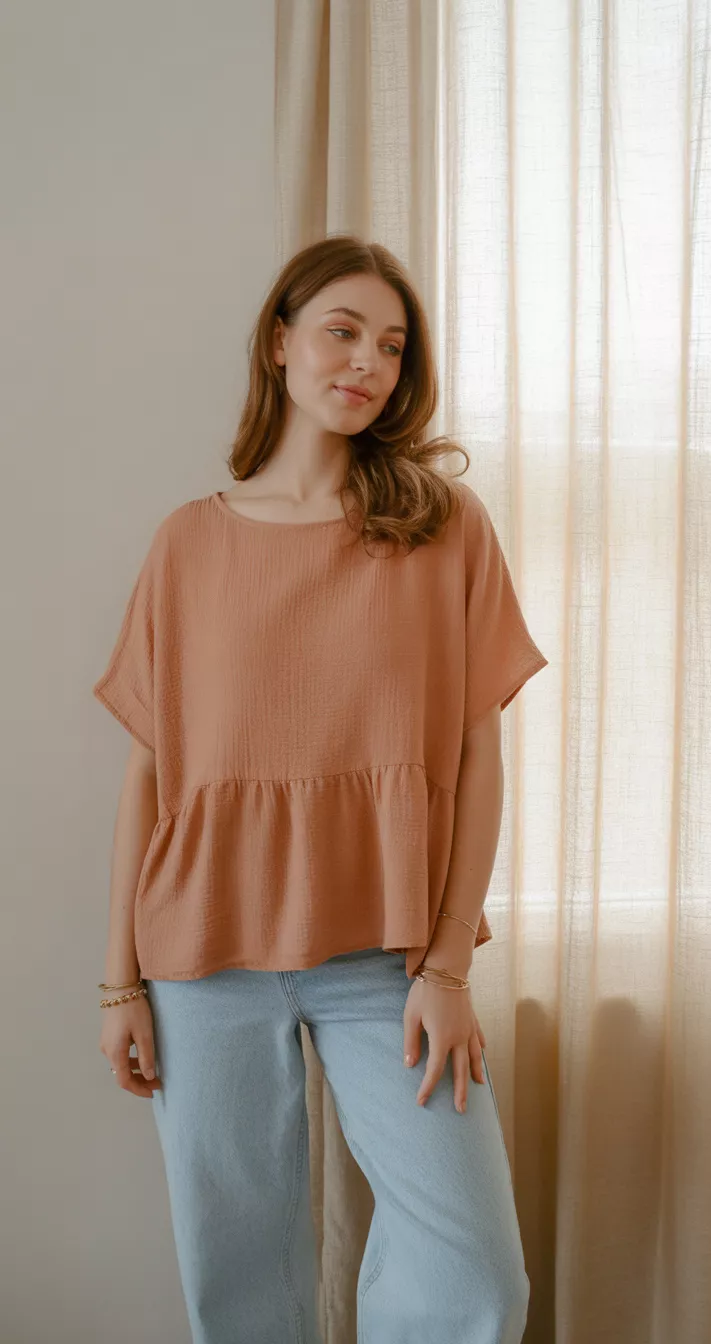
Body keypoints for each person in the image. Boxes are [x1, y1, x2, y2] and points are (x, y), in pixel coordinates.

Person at [93, 234, 548, 1344]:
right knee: (239, 1283)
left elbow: (478, 758)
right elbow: (151, 776)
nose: (368, 363)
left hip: (387, 959)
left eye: (392, 347)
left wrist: (447, 966)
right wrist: (118, 985)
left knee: (475, 1279)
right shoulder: (188, 544)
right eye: (344, 332)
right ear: (280, 342)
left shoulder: (443, 527)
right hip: (204, 957)